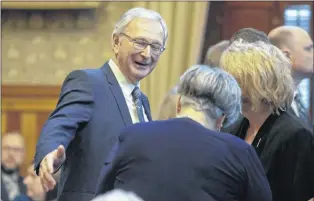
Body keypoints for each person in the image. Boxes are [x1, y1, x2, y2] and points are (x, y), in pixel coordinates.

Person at [33, 7, 168, 201]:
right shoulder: (89, 82)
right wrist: (49, 152)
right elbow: (59, 124)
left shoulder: (143, 101)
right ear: (116, 42)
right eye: (140, 42)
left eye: (156, 47)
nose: (147, 54)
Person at [96, 65, 272, 201]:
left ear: (179, 103)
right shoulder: (240, 152)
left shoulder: (132, 135)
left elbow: (103, 193)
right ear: (221, 120)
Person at [220, 40, 314, 201]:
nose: (224, 87)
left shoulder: (294, 135)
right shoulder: (231, 128)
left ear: (259, 84)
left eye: (232, 80)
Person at [268, 25, 313, 126]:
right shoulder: (269, 104)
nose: (312, 54)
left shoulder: (296, 97)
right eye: (308, 49)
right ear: (286, 56)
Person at [1, 132, 27, 201]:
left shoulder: (28, 184)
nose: (11, 154)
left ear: (23, 154)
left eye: (16, 149)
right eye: (6, 148)